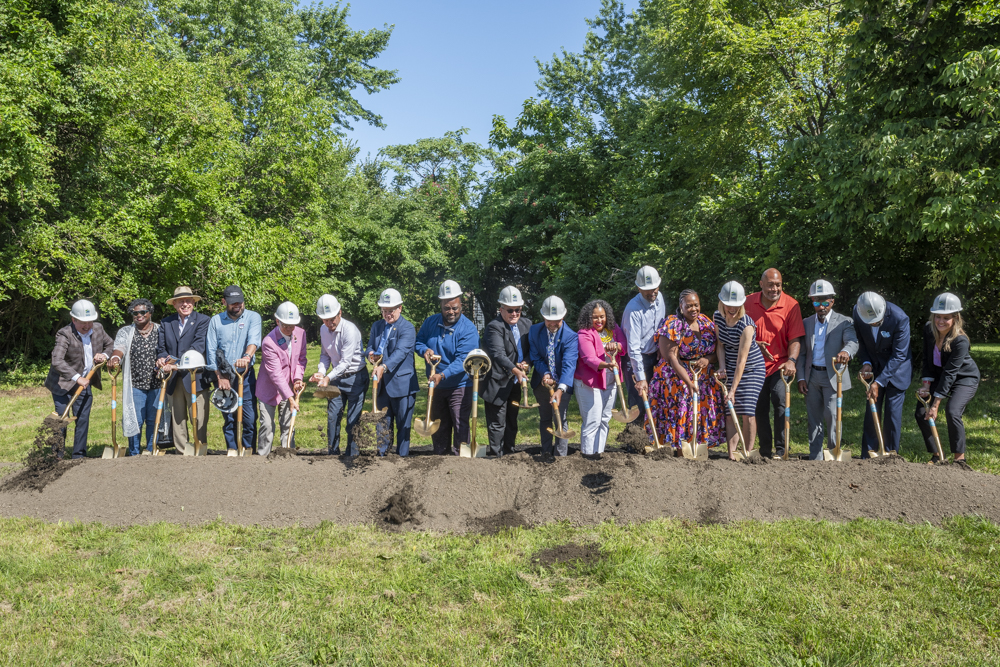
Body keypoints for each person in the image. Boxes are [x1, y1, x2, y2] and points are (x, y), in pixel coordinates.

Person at [648, 290, 724, 452]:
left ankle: (695, 445)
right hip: (676, 377)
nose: (693, 309)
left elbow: (716, 351)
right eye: (688, 306)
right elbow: (671, 358)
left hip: (702, 377)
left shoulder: (705, 322)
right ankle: (674, 446)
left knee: (698, 413)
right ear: (681, 306)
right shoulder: (673, 324)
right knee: (679, 411)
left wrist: (707, 360)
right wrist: (688, 382)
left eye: (696, 305)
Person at [794, 280, 859, 460]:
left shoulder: (844, 322)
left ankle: (833, 451)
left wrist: (846, 351)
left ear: (832, 301)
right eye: (816, 302)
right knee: (813, 418)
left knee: (832, 415)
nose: (821, 306)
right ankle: (815, 456)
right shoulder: (806, 323)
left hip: (833, 375)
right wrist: (801, 378)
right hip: (812, 375)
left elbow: (852, 342)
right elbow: (802, 354)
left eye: (825, 302)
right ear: (812, 302)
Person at [746, 268, 805, 459]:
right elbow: (738, 330)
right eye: (770, 284)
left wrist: (792, 361)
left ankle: (781, 450)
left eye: (778, 285)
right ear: (761, 284)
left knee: (780, 402)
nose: (774, 288)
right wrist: (753, 343)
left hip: (779, 365)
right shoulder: (747, 302)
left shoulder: (791, 305)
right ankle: (764, 451)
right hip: (754, 365)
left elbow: (795, 337)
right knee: (759, 407)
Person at [415, 280, 480, 455]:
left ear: (461, 304)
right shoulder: (431, 322)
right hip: (435, 386)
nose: (451, 312)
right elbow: (419, 341)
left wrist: (442, 375)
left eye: (455, 308)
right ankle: (440, 460)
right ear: (441, 305)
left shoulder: (468, 329)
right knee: (439, 426)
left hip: (459, 386)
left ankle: (462, 462)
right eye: (447, 308)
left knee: (460, 425)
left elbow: (462, 360)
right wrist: (424, 350)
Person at [44, 299, 113, 458]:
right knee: (62, 419)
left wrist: (104, 355)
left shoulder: (98, 329)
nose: (87, 326)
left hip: (85, 382)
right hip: (62, 384)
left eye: (90, 321)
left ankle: (79, 455)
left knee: (82, 419)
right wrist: (76, 377)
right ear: (73, 319)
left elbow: (110, 345)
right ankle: (57, 456)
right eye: (83, 322)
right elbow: (57, 361)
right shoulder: (64, 334)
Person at [916, 293, 979, 465]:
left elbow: (950, 374)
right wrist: (926, 385)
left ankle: (960, 459)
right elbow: (927, 359)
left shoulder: (960, 341)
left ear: (955, 318)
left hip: (964, 378)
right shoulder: (929, 329)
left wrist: (935, 405)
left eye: (946, 318)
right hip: (939, 375)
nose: (941, 321)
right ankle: (937, 455)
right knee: (922, 411)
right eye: (938, 316)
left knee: (952, 411)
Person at [853, 291, 912, 457]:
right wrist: (866, 363)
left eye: (877, 321)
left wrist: (879, 382)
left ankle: (891, 455)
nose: (873, 324)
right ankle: (868, 454)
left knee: (892, 414)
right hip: (875, 367)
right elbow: (861, 341)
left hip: (897, 370)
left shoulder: (900, 318)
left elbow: (900, 354)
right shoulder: (858, 312)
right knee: (872, 412)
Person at [308, 294, 369, 456]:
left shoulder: (350, 331)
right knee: (333, 416)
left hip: (356, 377)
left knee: (352, 420)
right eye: (325, 320)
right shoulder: (323, 330)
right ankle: (333, 452)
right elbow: (325, 355)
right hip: (337, 379)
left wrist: (328, 377)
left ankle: (353, 454)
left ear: (340, 313)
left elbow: (346, 362)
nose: (329, 323)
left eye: (332, 318)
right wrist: (321, 373)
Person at [156, 286, 213, 455]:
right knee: (178, 417)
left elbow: (198, 346)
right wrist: (162, 359)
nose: (185, 304)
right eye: (181, 301)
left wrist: (176, 363)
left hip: (196, 376)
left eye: (188, 301)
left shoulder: (203, 321)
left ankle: (199, 447)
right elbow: (161, 348)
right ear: (174, 304)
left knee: (199, 417)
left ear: (194, 303)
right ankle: (181, 451)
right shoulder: (166, 323)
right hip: (174, 378)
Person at [205, 285, 262, 453]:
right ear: (224, 302)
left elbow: (254, 340)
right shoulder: (216, 321)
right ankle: (232, 448)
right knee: (229, 415)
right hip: (223, 374)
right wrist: (218, 376)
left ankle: (248, 447)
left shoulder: (253, 317)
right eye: (232, 303)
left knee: (249, 417)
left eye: (240, 302)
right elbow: (211, 350)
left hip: (245, 374)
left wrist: (246, 357)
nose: (237, 305)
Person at [714, 282, 766, 460]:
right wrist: (721, 367)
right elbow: (720, 345)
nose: (732, 308)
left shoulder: (746, 325)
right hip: (729, 366)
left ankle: (748, 453)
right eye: (729, 304)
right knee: (730, 411)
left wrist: (733, 389)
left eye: (736, 305)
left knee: (747, 411)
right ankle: (732, 454)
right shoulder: (717, 317)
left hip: (751, 368)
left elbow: (742, 361)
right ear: (722, 302)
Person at [365, 288, 419, 456]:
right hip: (381, 385)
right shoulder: (377, 326)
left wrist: (383, 367)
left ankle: (402, 458)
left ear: (400, 308)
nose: (387, 314)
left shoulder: (408, 328)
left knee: (403, 424)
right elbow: (370, 347)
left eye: (391, 311)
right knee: (382, 423)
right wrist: (370, 355)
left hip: (402, 384)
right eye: (384, 311)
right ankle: (382, 457)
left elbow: (400, 353)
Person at [482, 286, 532, 457]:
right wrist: (515, 370)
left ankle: (510, 454)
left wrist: (527, 363)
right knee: (497, 423)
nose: (514, 314)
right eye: (510, 310)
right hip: (497, 382)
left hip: (515, 383)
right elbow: (498, 354)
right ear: (501, 308)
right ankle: (496, 457)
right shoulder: (494, 327)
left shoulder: (527, 324)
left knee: (512, 420)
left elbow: (531, 351)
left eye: (518, 310)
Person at [574, 299, 627, 458]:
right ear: (588, 318)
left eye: (602, 316)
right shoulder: (584, 333)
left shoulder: (614, 329)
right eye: (595, 317)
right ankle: (587, 456)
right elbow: (589, 358)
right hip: (590, 382)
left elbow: (624, 345)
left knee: (604, 419)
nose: (599, 320)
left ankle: (599, 454)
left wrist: (616, 345)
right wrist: (607, 365)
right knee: (592, 420)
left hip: (611, 381)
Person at [108, 299, 161, 455]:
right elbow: (119, 347)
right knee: (135, 420)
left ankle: (151, 450)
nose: (139, 315)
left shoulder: (160, 330)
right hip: (135, 384)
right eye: (135, 313)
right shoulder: (126, 331)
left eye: (143, 312)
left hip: (157, 383)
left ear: (150, 312)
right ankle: (134, 453)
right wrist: (116, 358)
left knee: (153, 420)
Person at [529, 296, 579, 457]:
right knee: (545, 417)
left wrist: (560, 389)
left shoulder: (570, 337)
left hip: (562, 384)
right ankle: (545, 451)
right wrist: (545, 374)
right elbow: (535, 356)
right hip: (542, 384)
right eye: (548, 320)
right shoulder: (535, 331)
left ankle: (560, 455)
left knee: (560, 418)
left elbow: (569, 365)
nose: (552, 324)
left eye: (556, 320)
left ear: (563, 316)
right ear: (543, 317)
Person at [256, 302, 307, 456]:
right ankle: (263, 457)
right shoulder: (268, 342)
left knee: (287, 423)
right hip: (268, 388)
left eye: (293, 325)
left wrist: (298, 378)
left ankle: (288, 455)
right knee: (267, 425)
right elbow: (276, 374)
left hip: (290, 385)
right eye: (286, 325)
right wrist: (291, 398)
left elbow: (301, 359)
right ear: (277, 321)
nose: (290, 329)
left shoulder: (301, 334)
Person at [621, 266, 667, 429]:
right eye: (646, 290)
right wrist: (640, 377)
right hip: (635, 359)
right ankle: (634, 442)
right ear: (639, 288)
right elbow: (633, 347)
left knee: (656, 398)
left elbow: (662, 325)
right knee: (638, 401)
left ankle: (653, 437)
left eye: (654, 288)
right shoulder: (633, 310)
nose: (651, 292)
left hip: (654, 355)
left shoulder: (659, 298)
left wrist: (661, 347)